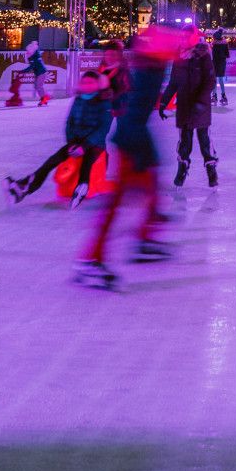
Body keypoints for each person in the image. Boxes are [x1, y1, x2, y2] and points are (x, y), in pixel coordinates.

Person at [76, 20, 180, 288]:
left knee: (151, 190)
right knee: (118, 201)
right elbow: (134, 110)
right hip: (131, 140)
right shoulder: (148, 68)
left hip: (135, 136)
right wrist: (144, 153)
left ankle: (144, 239)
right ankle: (91, 260)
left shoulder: (151, 65)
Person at [5, 46, 120, 206]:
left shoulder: (105, 102)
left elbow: (102, 129)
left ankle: (82, 187)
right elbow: (69, 123)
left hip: (94, 145)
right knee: (51, 161)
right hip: (75, 142)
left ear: (97, 85)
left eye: (90, 83)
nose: (86, 85)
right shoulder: (79, 99)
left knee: (87, 163)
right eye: (84, 82)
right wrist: (72, 142)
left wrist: (84, 146)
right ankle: (24, 187)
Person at [163, 30, 219, 186]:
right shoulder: (179, 57)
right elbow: (173, 82)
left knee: (204, 140)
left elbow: (210, 81)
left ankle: (211, 170)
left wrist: (201, 102)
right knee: (184, 142)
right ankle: (182, 168)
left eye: (188, 37)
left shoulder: (203, 55)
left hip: (200, 106)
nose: (184, 39)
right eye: (182, 36)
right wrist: (163, 102)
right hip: (184, 105)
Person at [22, 37, 50, 106]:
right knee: (37, 86)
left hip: (41, 73)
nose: (27, 53)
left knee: (38, 86)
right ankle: (45, 97)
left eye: (28, 52)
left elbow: (31, 67)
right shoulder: (35, 57)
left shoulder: (34, 59)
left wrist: (23, 71)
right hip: (40, 73)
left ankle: (44, 98)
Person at [210, 31, 231, 107]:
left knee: (214, 79)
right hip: (222, 63)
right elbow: (228, 55)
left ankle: (214, 96)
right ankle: (223, 95)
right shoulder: (225, 44)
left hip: (215, 63)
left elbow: (212, 55)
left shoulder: (214, 44)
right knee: (221, 79)